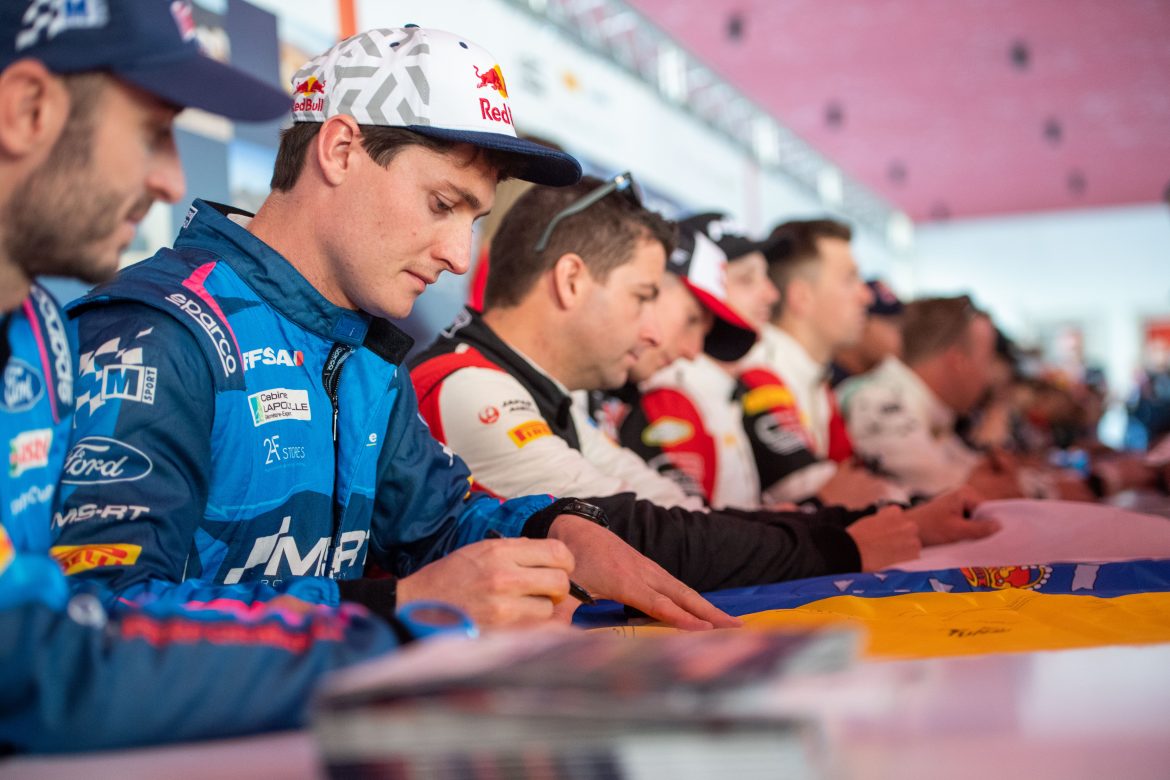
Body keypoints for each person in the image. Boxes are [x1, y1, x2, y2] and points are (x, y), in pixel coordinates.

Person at [51, 26, 729, 632]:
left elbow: (436, 524)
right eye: (441, 203)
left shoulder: (363, 356)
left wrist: (556, 532)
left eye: (473, 220)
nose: (458, 255)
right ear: (341, 149)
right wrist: (395, 606)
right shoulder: (159, 332)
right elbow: (92, 619)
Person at [0, 0, 420, 754]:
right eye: (153, 131)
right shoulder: (149, 325)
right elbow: (49, 666)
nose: (173, 181)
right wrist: (390, 628)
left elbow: (41, 637)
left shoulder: (37, 334)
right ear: (27, 109)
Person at [411, 179, 997, 584]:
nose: (655, 333)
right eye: (643, 296)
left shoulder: (532, 387)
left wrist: (862, 525)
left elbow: (676, 511)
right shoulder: (470, 385)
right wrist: (841, 545)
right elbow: (632, 534)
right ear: (571, 281)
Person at [838, 295, 1022, 497]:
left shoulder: (925, 408)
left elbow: (969, 473)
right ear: (958, 361)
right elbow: (947, 492)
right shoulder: (878, 399)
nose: (990, 377)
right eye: (987, 360)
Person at [830, 279, 905, 387]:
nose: (902, 334)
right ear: (860, 323)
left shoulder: (884, 379)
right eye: (893, 324)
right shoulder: (826, 380)